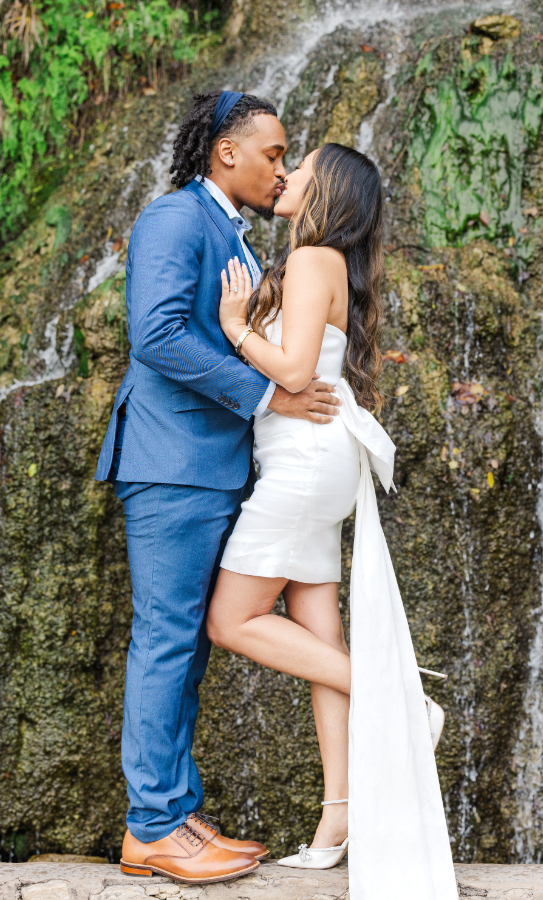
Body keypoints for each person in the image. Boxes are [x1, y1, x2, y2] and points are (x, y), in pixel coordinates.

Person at [94, 90, 343, 886]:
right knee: (167, 639)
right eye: (273, 154)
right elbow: (158, 335)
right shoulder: (175, 219)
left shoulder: (225, 227)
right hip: (171, 464)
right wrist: (271, 396)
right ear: (225, 152)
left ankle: (175, 810)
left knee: (188, 645)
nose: (281, 169)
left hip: (209, 467)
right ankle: (153, 827)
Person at [206, 143, 459, 899]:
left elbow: (292, 369)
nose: (285, 174)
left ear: (329, 188)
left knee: (230, 619)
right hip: (314, 460)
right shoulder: (323, 263)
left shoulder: (313, 259)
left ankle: (405, 701)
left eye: (301, 165)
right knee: (319, 640)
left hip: (305, 465)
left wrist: (232, 324)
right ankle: (338, 816)